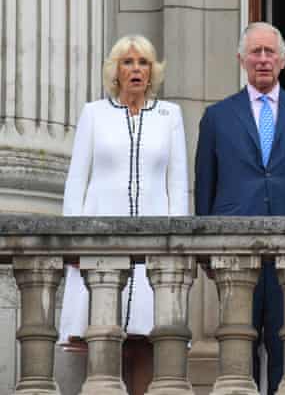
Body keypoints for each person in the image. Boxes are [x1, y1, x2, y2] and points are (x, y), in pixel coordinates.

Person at [194, 21, 285, 393]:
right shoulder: (217, 116)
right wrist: (205, 248)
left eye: (271, 52)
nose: (264, 59)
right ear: (242, 59)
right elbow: (205, 186)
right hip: (235, 251)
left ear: (283, 60)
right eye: (256, 52)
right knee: (239, 348)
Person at [61, 34, 188, 395]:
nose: (136, 69)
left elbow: (178, 184)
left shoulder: (170, 116)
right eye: (128, 62)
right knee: (101, 334)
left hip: (154, 244)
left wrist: (180, 244)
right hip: (99, 238)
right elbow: (76, 181)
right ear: (115, 71)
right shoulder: (94, 114)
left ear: (152, 71)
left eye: (143, 62)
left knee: (149, 336)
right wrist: (72, 241)